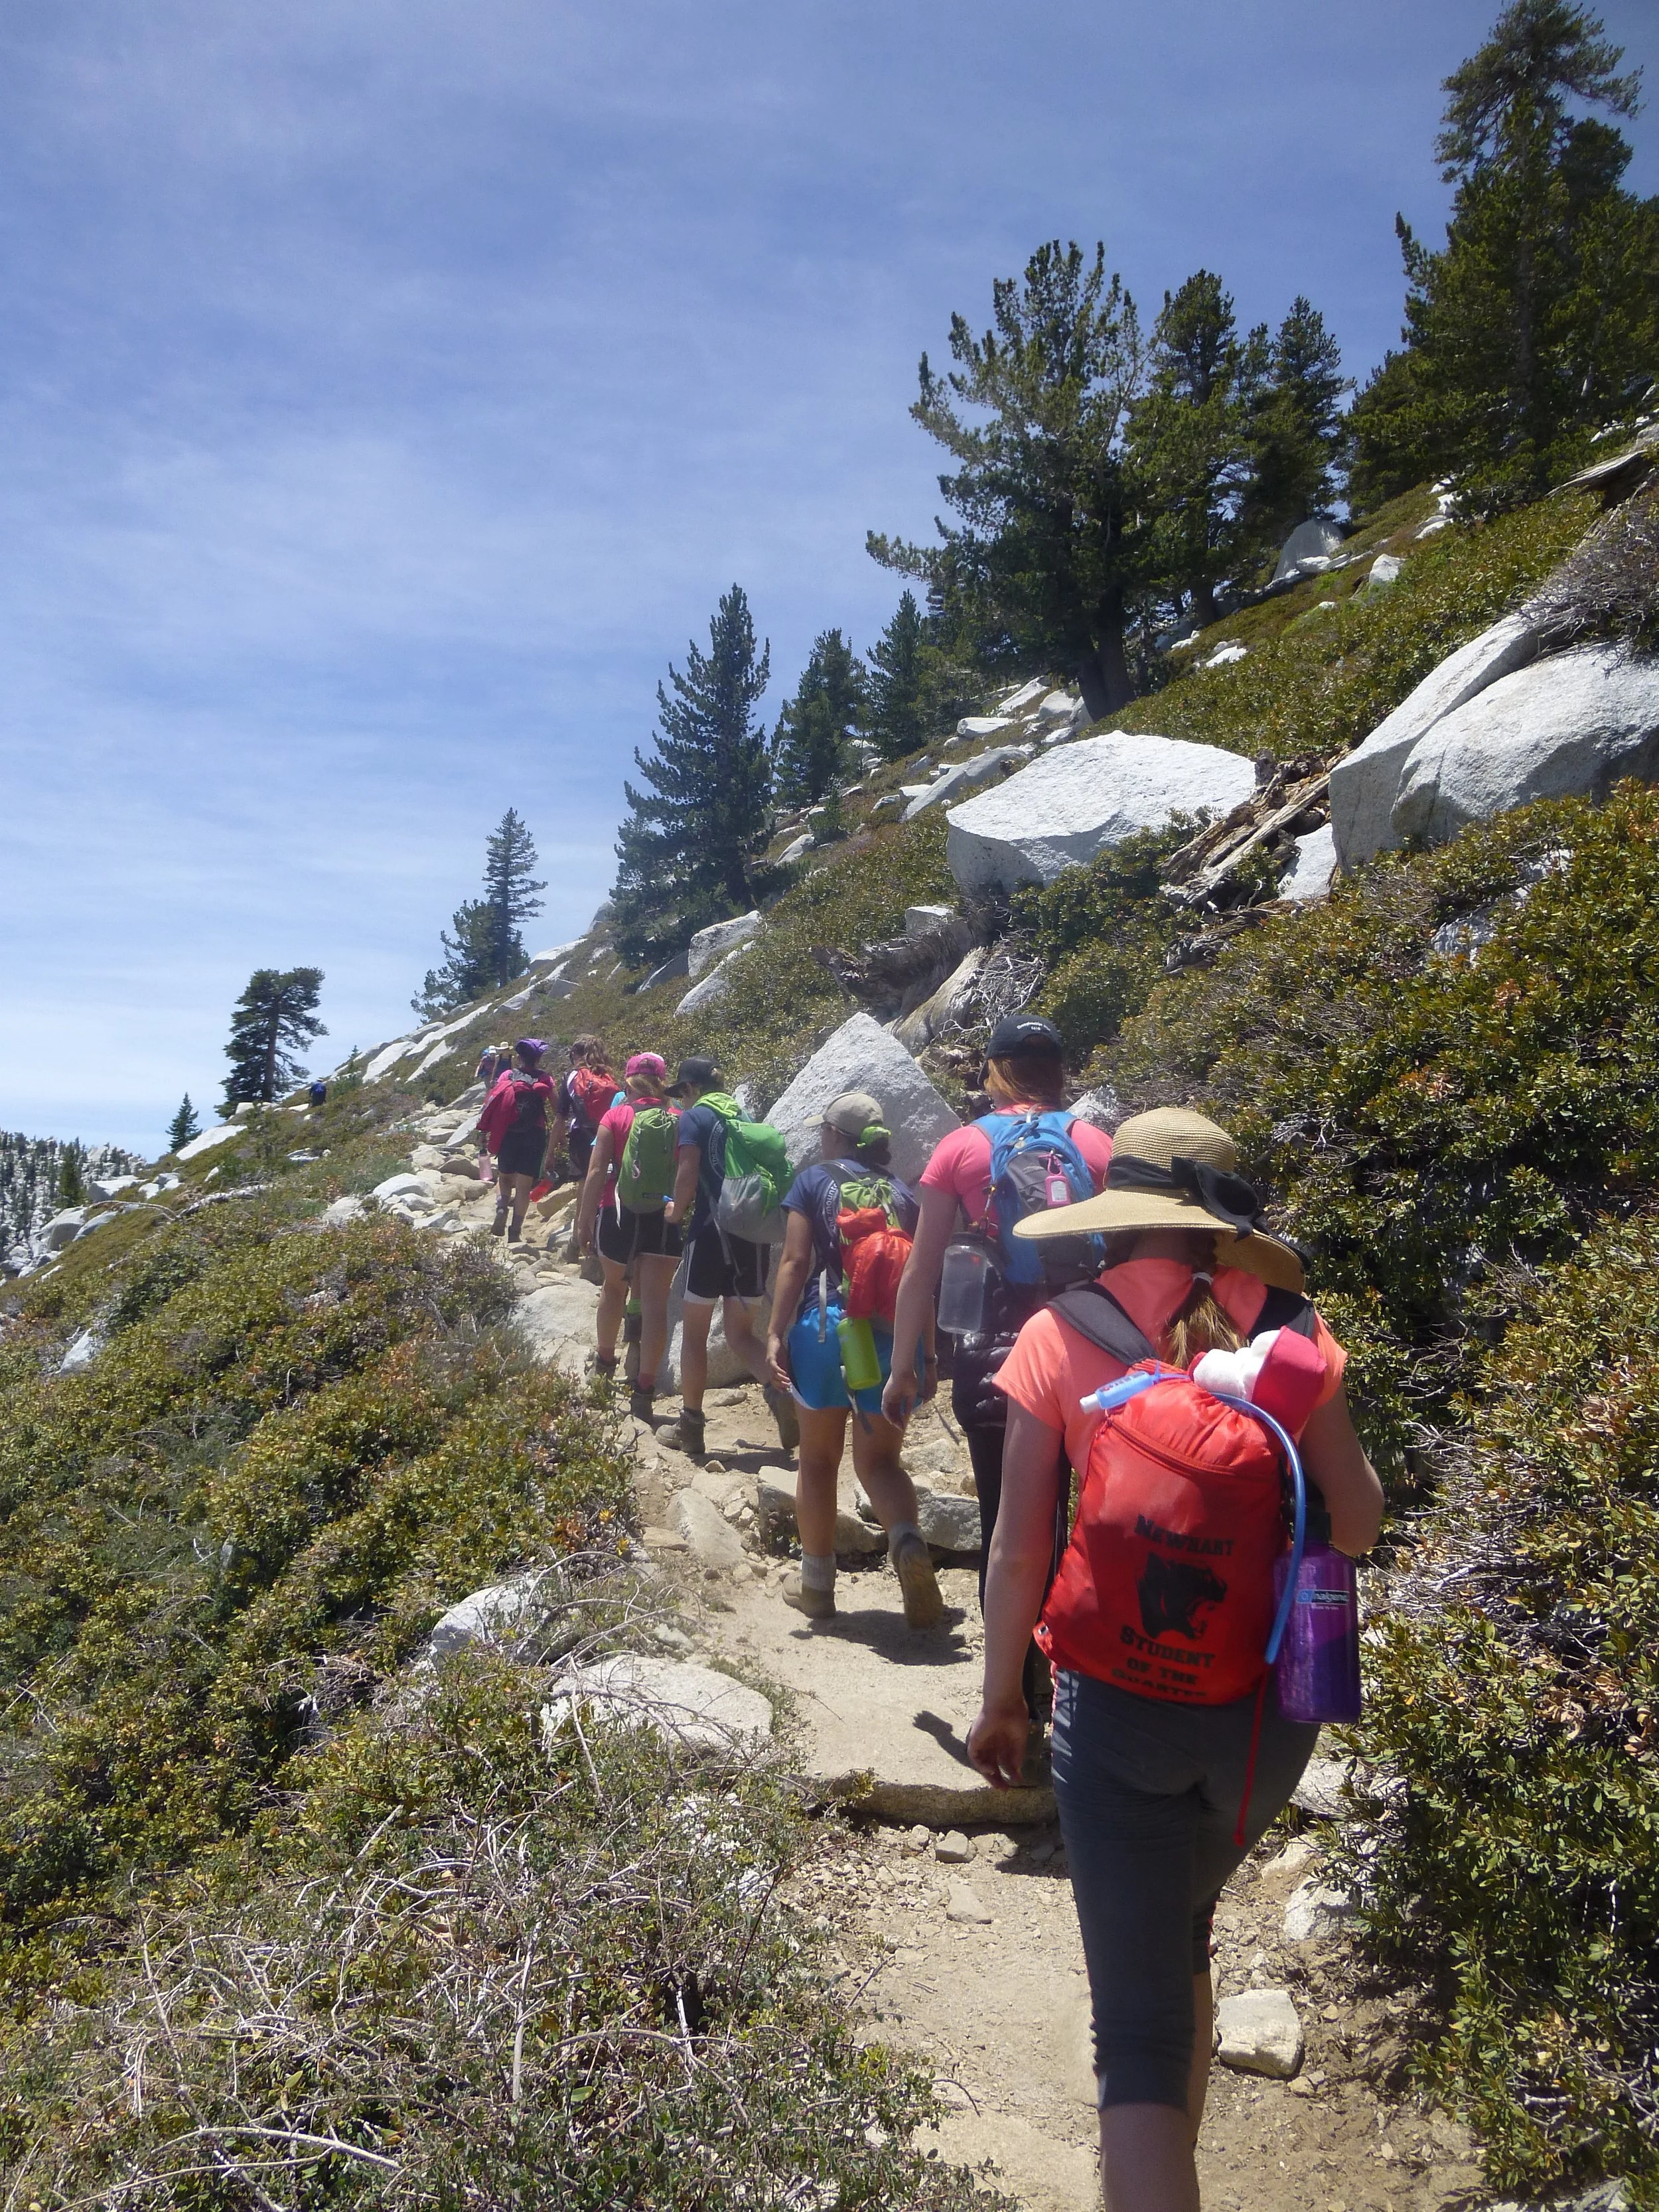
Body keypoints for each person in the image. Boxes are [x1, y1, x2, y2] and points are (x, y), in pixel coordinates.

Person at [966, 1108, 1384, 2212]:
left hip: (1112, 1711)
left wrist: (1001, 1694)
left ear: (1120, 1210)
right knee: (1185, 1927)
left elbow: (1019, 1548)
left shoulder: (1060, 1330)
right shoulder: (1292, 1328)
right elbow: (1361, 1517)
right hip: (1264, 1719)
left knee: (1136, 2035)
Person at [883, 1013, 1114, 1719]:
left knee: (1008, 1524)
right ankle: (1074, 1678)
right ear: (1058, 1072)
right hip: (1089, 1353)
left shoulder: (960, 1148)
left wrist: (905, 1368)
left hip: (998, 1357)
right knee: (1083, 1525)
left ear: (993, 1069)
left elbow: (921, 1274)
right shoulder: (1096, 1144)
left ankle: (1011, 1689)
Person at [764, 1091, 943, 1628]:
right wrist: (927, 1356)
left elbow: (795, 1262)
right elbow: (921, 1281)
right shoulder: (903, 1194)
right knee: (881, 1464)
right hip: (892, 1337)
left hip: (827, 1327)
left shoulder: (814, 1180)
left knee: (818, 1461)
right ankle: (907, 1541)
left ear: (833, 1135)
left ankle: (817, 1587)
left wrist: (775, 1331)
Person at [658, 1057, 797, 1458]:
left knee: (695, 1336)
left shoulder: (694, 1118)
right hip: (751, 1237)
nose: (680, 1102)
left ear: (689, 1088)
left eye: (680, 1093)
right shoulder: (741, 1114)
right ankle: (780, 1393)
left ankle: (691, 1426)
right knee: (739, 1335)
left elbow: (687, 1174)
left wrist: (675, 1212)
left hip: (708, 1237)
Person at [576, 1052, 681, 1421]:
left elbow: (595, 1171)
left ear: (629, 1080)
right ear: (663, 1080)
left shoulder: (616, 1115)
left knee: (613, 1290)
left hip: (617, 1212)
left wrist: (583, 1221)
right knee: (654, 1307)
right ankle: (644, 1391)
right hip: (664, 1217)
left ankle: (605, 1363)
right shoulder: (679, 1118)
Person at [477, 1039, 555, 1242]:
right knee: (523, 1187)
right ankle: (515, 1232)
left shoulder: (507, 1075)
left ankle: (502, 1208)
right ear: (538, 1059)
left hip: (508, 1133)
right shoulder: (545, 1079)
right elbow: (558, 1110)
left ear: (519, 1057)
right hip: (535, 1135)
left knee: (504, 1178)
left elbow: (493, 1101)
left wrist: (484, 1132)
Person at [552, 1035, 618, 1185]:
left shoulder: (572, 1077)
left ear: (575, 1055)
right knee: (606, 1180)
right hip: (606, 1133)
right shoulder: (607, 1075)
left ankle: (585, 1210)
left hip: (580, 1136)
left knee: (585, 1183)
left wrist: (550, 1154)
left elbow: (560, 1117)